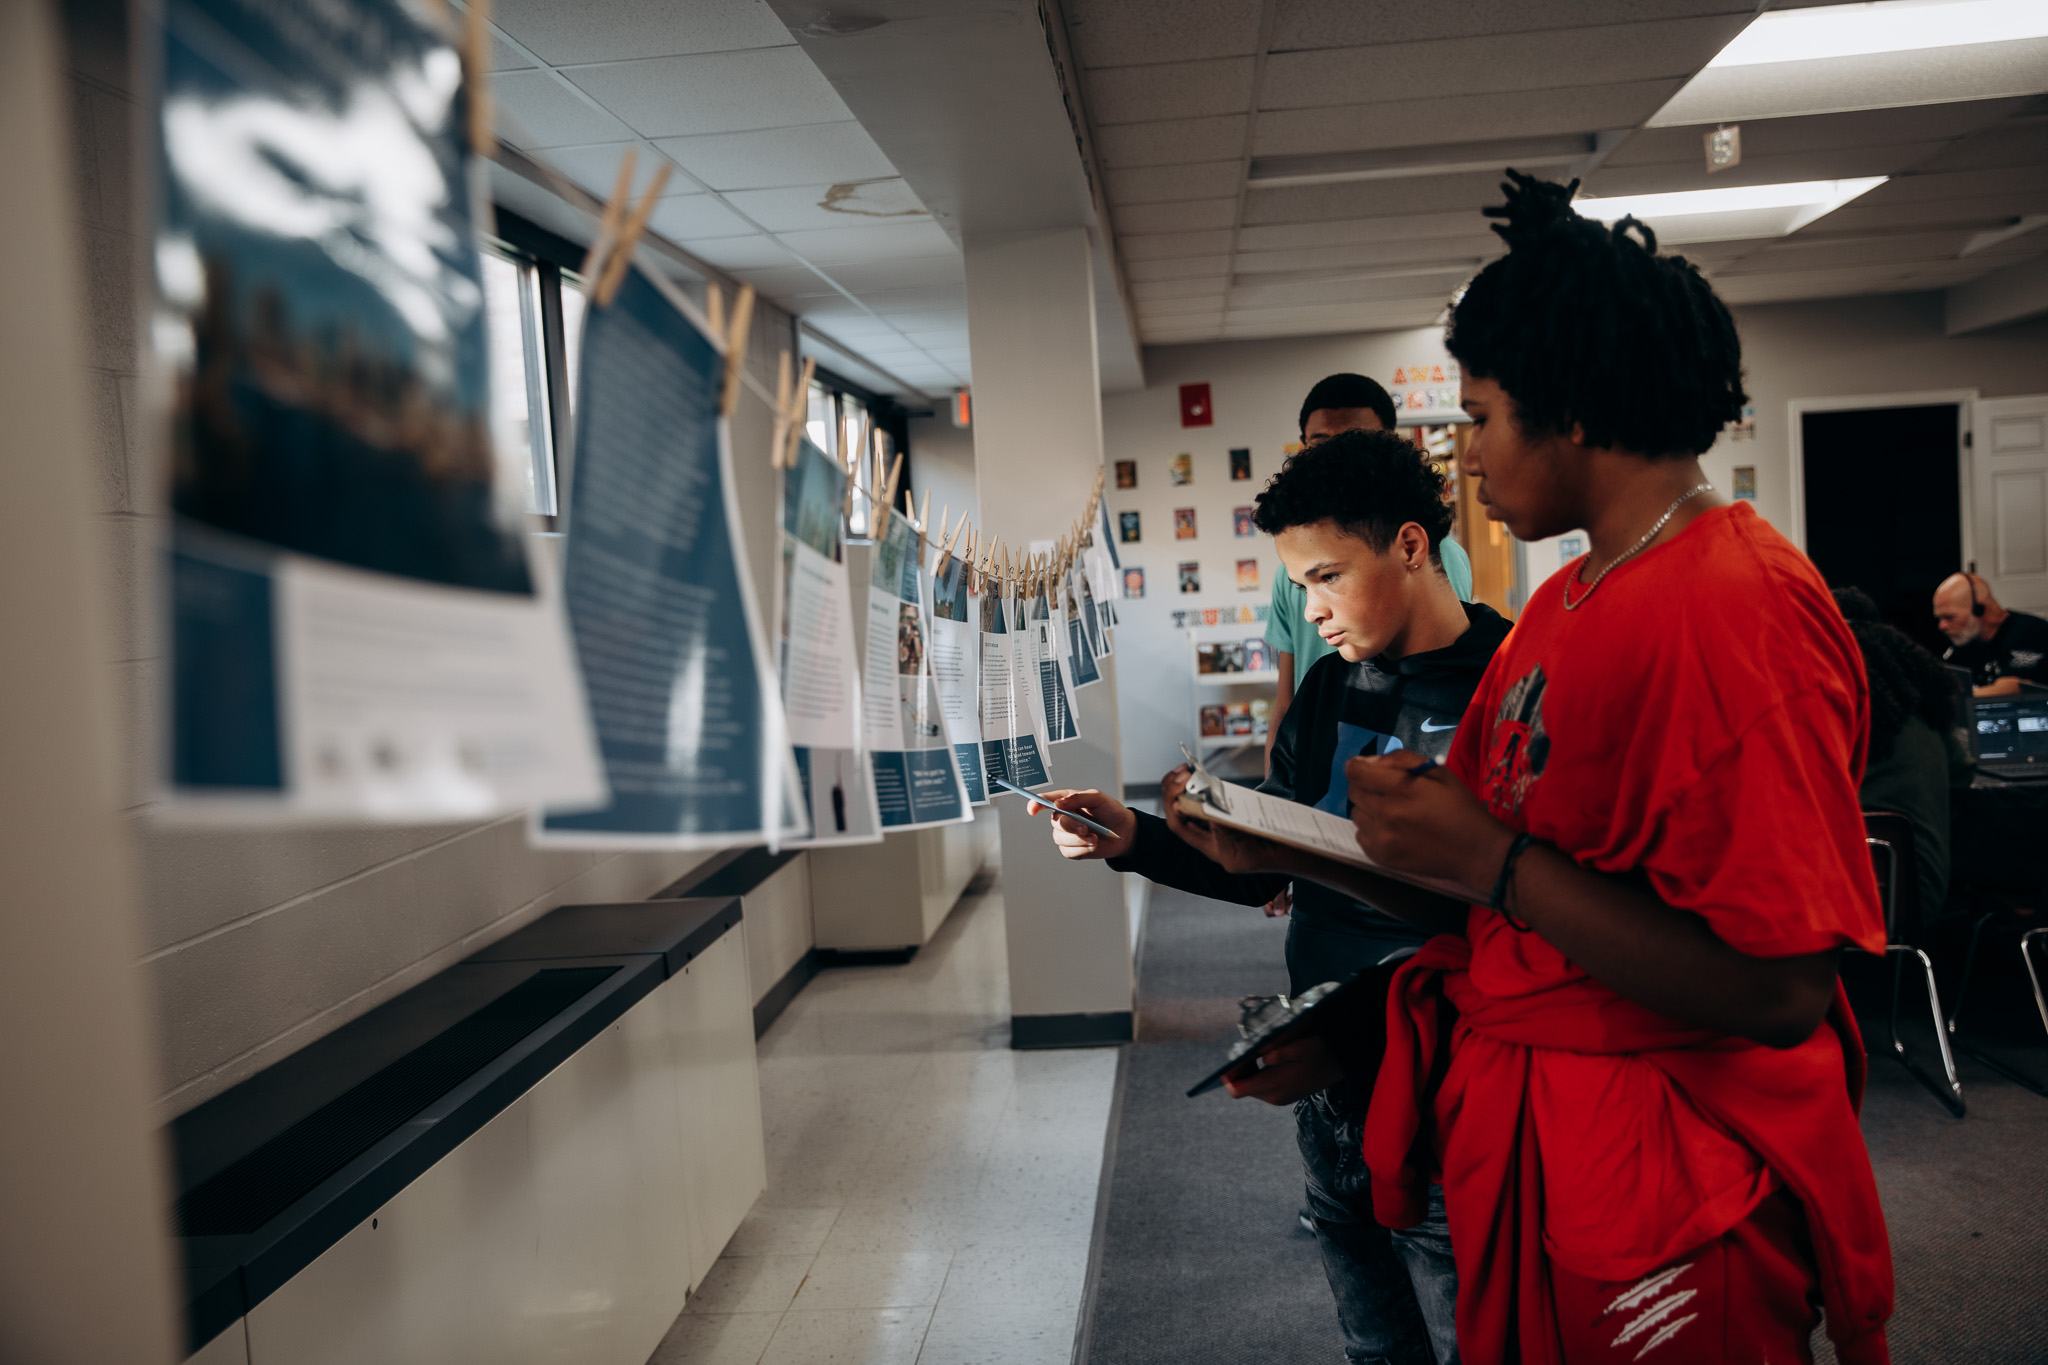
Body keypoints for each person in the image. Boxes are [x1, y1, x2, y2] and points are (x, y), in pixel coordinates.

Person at [1326, 171, 1895, 1363]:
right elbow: (1503, 877)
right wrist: (1316, 862)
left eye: (1478, 416)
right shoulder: (1573, 592)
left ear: (1569, 408)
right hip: (1546, 1134)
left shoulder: (1735, 613)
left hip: (1668, 1176)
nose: (1465, 454)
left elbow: (1782, 989)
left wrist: (1489, 858)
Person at [1026, 428, 1511, 1365]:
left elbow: (1517, 903)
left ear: (1412, 546)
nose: (1309, 609)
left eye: (1327, 575)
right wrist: (1136, 840)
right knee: (1377, 1346)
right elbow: (1275, 858)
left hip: (1458, 1089)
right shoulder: (1327, 693)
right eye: (1298, 585)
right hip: (1330, 1089)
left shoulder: (1513, 683)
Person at [1266, 374, 1475, 774]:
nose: (1312, 612)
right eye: (1322, 445)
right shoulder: (1322, 685)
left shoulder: (1499, 684)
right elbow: (1285, 710)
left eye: (1329, 577)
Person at [1835, 588, 1972, 926]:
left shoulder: (1829, 719)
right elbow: (1961, 774)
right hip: (1919, 895)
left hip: (1846, 901)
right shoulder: (1923, 713)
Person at [1933, 571, 2048, 696]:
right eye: (1939, 618)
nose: (1942, 626)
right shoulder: (1965, 641)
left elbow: (2015, 687)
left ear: (1980, 610)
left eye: (1949, 617)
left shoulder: (2030, 631)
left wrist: (1955, 699)